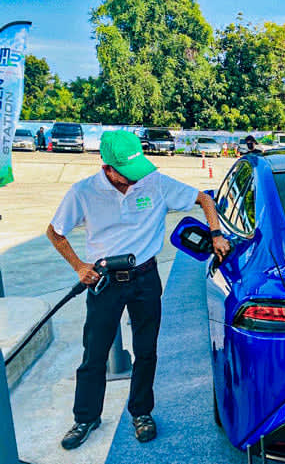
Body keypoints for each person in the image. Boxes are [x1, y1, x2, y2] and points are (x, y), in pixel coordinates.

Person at [47, 131, 230, 450]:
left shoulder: (155, 183)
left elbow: (204, 199)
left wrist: (215, 234)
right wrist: (79, 266)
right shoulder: (83, 192)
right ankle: (86, 417)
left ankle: (142, 412)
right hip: (104, 281)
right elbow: (55, 232)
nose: (134, 179)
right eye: (126, 173)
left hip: (145, 278)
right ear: (107, 168)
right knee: (94, 353)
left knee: (146, 351)